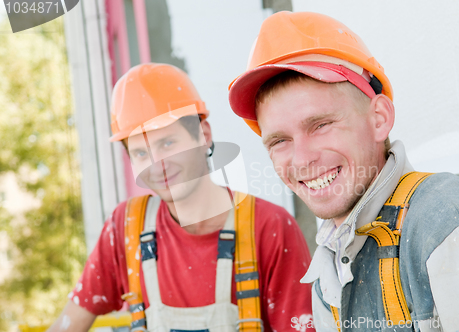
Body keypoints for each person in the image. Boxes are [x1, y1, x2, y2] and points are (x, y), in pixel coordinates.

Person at [228, 11, 459, 332]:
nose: (301, 160)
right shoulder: (328, 270)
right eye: (280, 140)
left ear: (379, 118)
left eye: (321, 125)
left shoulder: (447, 227)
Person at [48, 63, 315, 332]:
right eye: (141, 153)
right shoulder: (126, 227)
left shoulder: (269, 228)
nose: (157, 165)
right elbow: (67, 325)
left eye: (167, 143)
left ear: (204, 135)